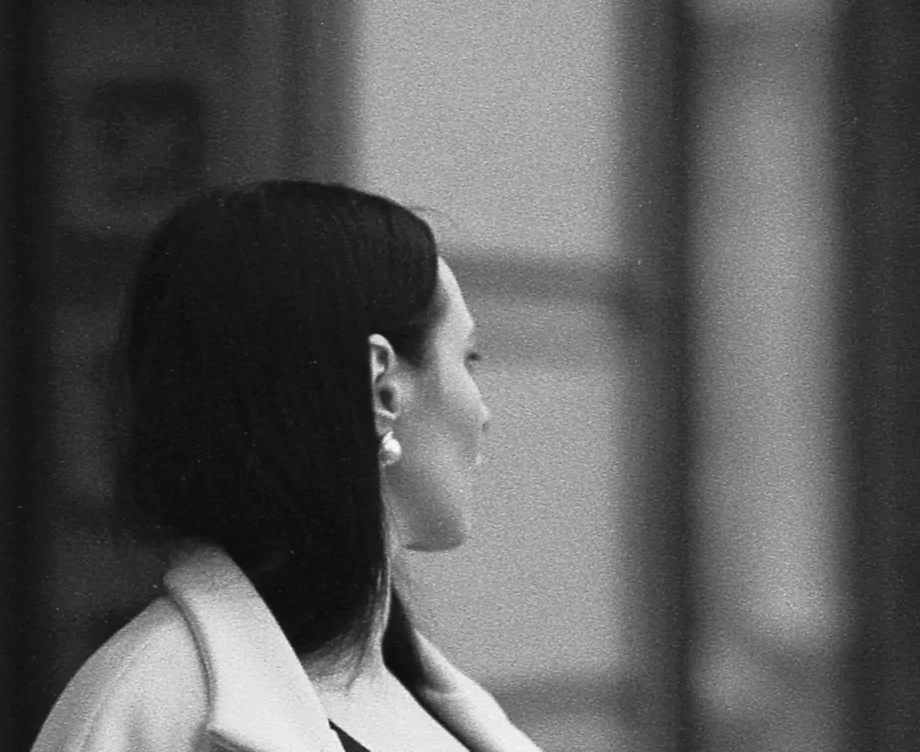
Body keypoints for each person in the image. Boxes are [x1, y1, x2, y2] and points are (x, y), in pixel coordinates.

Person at [31, 181, 539, 752]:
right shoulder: (148, 707)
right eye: (468, 358)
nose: (484, 413)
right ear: (383, 386)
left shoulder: (433, 696)